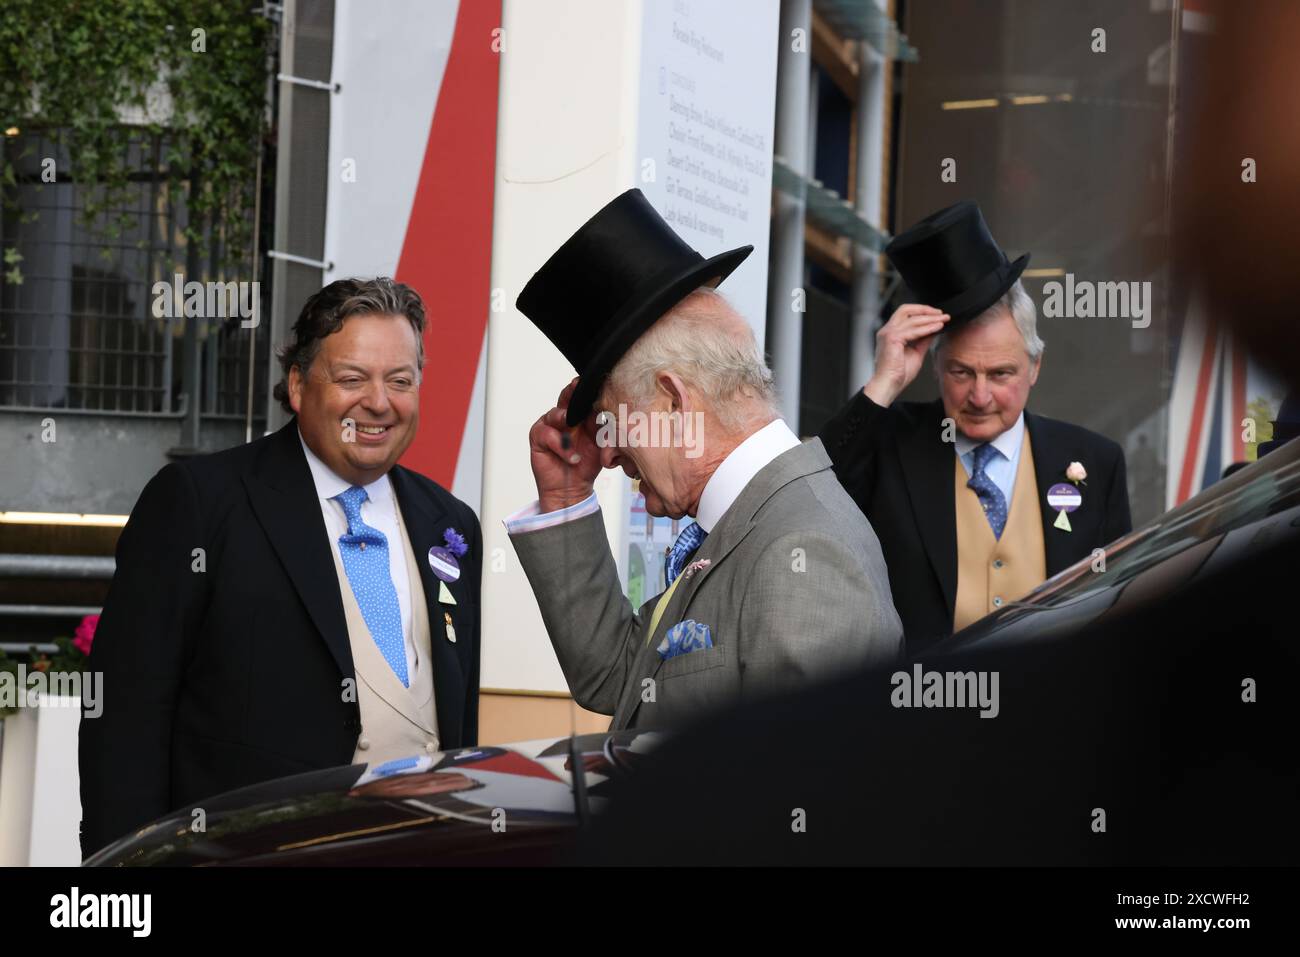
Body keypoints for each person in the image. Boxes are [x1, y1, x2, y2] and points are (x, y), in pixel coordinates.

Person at [79, 277, 481, 857]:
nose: (379, 401)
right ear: (297, 385)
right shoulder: (199, 502)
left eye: (401, 380)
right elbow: (125, 718)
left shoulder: (450, 524)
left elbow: (454, 717)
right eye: (351, 379)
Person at [505, 189, 902, 730]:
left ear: (674, 400)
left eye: (612, 416)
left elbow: (800, 793)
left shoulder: (803, 550)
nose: (610, 448)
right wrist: (566, 498)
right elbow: (621, 678)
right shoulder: (750, 522)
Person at [819, 201, 1131, 650]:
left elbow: (1115, 604)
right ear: (934, 366)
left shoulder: (1096, 462)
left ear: (1035, 366)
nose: (980, 397)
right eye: (961, 373)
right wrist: (883, 384)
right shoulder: (890, 442)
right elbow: (815, 494)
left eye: (1001, 374)